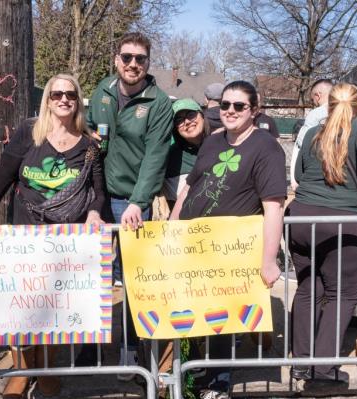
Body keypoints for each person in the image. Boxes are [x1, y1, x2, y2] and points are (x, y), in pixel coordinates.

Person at [0, 74, 104, 399]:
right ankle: (22, 370)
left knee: (54, 307)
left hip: (66, 240)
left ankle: (48, 367)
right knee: (20, 306)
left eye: (70, 95)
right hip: (26, 236)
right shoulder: (28, 132)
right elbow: (3, 175)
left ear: (78, 100)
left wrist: (95, 211)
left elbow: (98, 191)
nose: (63, 99)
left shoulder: (90, 143)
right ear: (47, 99)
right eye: (56, 94)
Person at [170, 80, 286, 399]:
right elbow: (190, 188)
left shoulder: (265, 147)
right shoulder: (213, 141)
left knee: (221, 318)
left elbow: (274, 206)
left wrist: (268, 259)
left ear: (254, 110)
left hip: (230, 251)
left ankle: (217, 383)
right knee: (191, 314)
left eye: (239, 106)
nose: (230, 111)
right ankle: (191, 376)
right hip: (193, 243)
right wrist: (172, 226)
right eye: (225, 105)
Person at [86, 31, 173, 377]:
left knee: (134, 280)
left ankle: (132, 351)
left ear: (148, 63)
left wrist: (139, 201)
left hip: (132, 202)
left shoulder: (158, 102)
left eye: (140, 59)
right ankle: (88, 348)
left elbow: (155, 156)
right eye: (127, 57)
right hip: (96, 198)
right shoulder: (102, 92)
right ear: (116, 59)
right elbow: (90, 133)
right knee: (91, 275)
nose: (133, 64)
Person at [289, 83, 357, 383]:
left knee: (307, 289)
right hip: (339, 221)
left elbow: (301, 175)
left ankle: (301, 363)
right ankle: (324, 369)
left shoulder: (315, 130)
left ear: (327, 104)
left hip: (301, 218)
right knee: (342, 294)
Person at [164, 98, 209, 205]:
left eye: (191, 115)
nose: (187, 122)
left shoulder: (223, 142)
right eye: (179, 120)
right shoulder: (171, 158)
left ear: (202, 115)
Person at [290, 79, 333, 190]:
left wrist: (294, 179)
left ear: (318, 95)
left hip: (316, 173)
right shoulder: (347, 112)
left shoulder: (316, 114)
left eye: (312, 99)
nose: (313, 102)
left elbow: (300, 145)